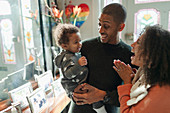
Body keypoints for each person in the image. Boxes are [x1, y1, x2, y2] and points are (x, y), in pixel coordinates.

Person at [70, 3, 136, 113]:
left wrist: (103, 96)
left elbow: (132, 95)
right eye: (99, 24)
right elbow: (68, 73)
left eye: (106, 26)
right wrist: (71, 93)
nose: (100, 30)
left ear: (121, 27)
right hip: (78, 109)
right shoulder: (85, 47)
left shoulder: (129, 54)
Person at [113, 25, 170, 113]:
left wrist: (127, 82)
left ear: (152, 54)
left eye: (138, 42)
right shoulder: (150, 75)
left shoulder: (160, 92)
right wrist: (134, 77)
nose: (132, 45)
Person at [54, 24, 107, 113]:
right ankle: (101, 110)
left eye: (80, 41)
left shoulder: (74, 53)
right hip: (74, 85)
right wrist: (78, 65)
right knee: (92, 96)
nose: (80, 44)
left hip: (78, 82)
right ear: (64, 46)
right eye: (76, 42)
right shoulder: (67, 58)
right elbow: (68, 74)